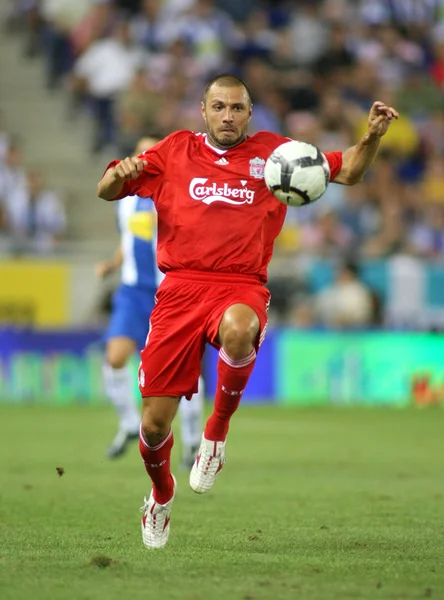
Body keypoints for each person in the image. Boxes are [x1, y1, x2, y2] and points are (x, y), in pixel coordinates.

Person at [97, 73, 398, 549]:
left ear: (249, 112)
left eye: (237, 108)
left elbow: (348, 171)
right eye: (219, 107)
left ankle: (215, 435)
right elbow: (110, 189)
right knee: (154, 425)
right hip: (178, 291)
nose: (228, 116)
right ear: (203, 110)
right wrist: (115, 177)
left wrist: (373, 136)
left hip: (240, 284)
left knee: (241, 328)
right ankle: (161, 494)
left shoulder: (276, 154)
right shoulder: (173, 151)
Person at [97, 136, 204, 466]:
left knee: (180, 370)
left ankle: (192, 441)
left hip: (167, 291)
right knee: (115, 357)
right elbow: (128, 238)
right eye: (141, 152)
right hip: (132, 290)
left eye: (152, 151)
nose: (146, 158)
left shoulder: (174, 191)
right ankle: (129, 424)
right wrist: (114, 262)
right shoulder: (125, 198)